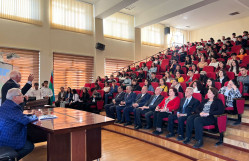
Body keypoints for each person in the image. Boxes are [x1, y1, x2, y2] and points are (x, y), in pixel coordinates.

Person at [0, 88, 38, 160]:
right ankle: (10, 159)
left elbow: (19, 116)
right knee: (29, 146)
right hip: (8, 138)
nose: (23, 96)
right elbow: (24, 120)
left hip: (2, 136)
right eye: (21, 95)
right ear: (15, 97)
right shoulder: (13, 107)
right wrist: (35, 116)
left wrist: (30, 115)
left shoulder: (6, 104)